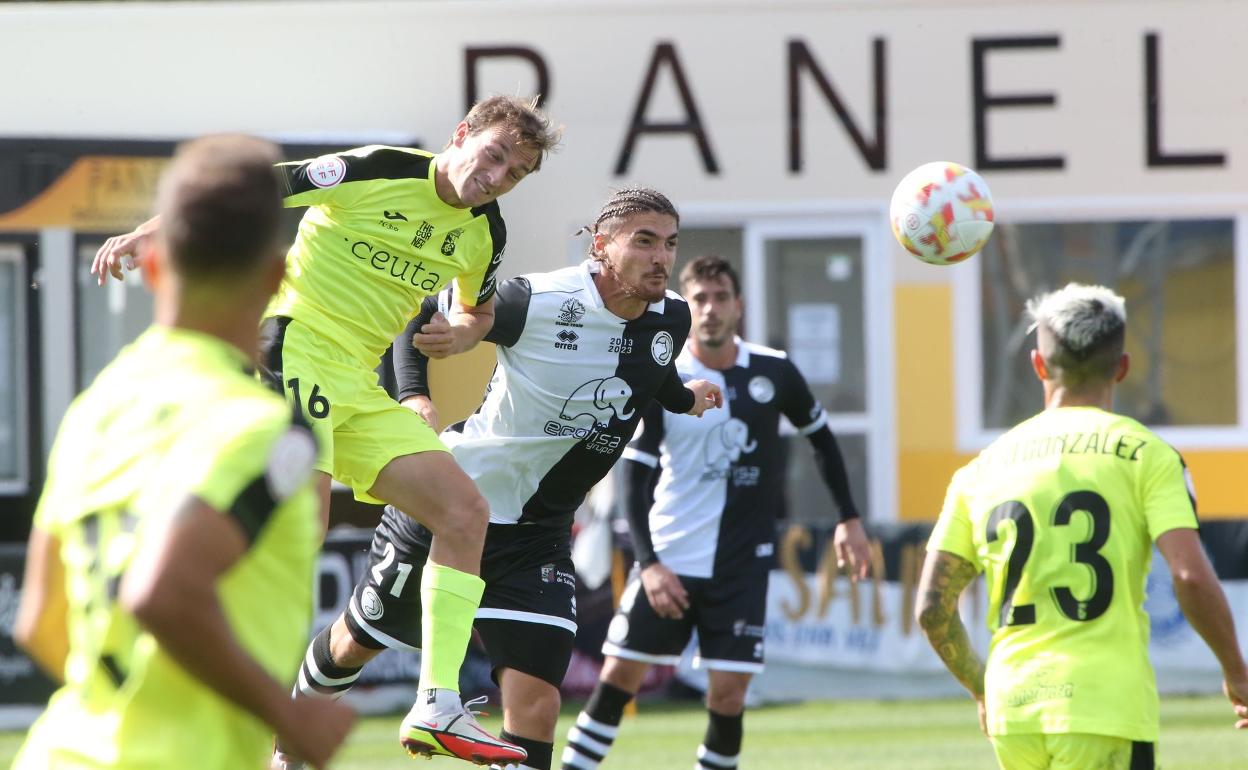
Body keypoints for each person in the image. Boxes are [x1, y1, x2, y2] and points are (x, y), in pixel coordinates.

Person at [91, 96, 561, 765]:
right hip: (293, 343)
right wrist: (151, 232)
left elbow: (477, 311)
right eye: (493, 155)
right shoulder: (381, 168)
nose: (495, 177)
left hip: (357, 383)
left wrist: (459, 333)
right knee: (299, 526)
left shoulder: (485, 234)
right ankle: (189, 667)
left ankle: (436, 702)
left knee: (464, 510)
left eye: (514, 173)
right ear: (462, 135)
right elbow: (259, 190)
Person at [287, 188, 723, 770]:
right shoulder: (535, 299)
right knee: (356, 642)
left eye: (669, 243)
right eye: (643, 241)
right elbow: (417, 311)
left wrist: (682, 398)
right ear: (601, 246)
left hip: (539, 534)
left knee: (537, 704)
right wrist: (414, 394)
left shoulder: (672, 313)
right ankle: (287, 744)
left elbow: (651, 368)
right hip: (452, 506)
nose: (661, 257)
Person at [11, 135, 355, 769]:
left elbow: (38, 621)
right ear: (277, 276)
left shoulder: (97, 408)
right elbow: (162, 592)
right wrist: (287, 717)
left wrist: (128, 695)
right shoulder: (267, 430)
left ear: (152, 267)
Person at [916, 283, 1248, 770]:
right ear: (1123, 367)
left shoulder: (980, 470)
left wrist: (982, 688)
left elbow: (931, 607)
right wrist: (1236, 671)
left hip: (1016, 712)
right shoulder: (1148, 456)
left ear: (1038, 365)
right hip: (1102, 707)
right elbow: (1189, 575)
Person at [561, 255, 871, 770]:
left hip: (741, 565)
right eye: (699, 299)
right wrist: (651, 563)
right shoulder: (666, 378)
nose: (709, 309)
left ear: (738, 306)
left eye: (720, 297)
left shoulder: (774, 370)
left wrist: (849, 517)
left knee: (728, 699)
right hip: (671, 560)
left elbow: (822, 440)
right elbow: (634, 479)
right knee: (616, 682)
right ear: (687, 306)